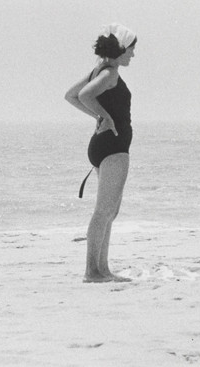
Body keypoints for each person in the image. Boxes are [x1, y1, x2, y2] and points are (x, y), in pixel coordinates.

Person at [64, 23, 138, 283]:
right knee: (104, 211)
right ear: (121, 49)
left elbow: (71, 96)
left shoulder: (99, 70)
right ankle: (92, 271)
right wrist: (103, 116)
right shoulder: (110, 74)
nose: (133, 54)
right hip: (113, 148)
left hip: (103, 145)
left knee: (109, 211)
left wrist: (99, 116)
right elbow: (84, 95)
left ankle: (103, 269)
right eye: (131, 49)